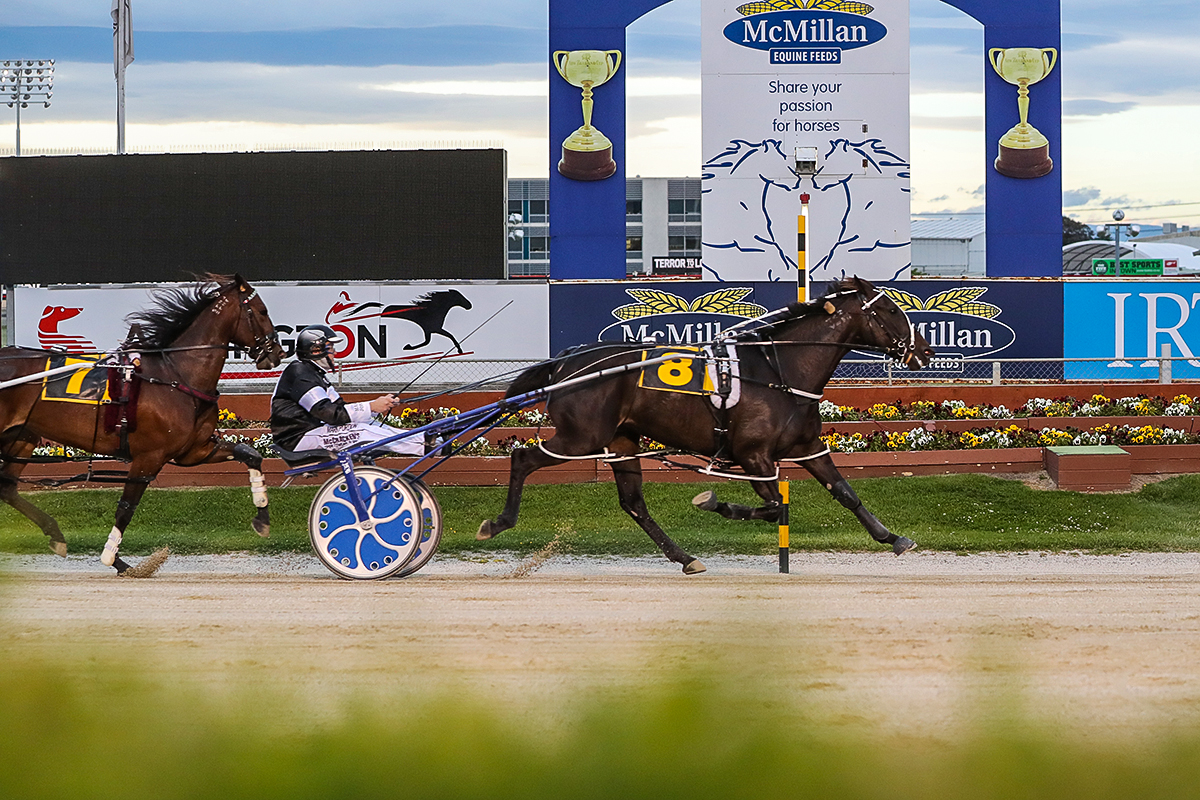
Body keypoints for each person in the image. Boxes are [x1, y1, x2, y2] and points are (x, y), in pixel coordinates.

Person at [270, 325, 426, 456]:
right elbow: (329, 414)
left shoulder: (315, 374)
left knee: (371, 424)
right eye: (331, 348)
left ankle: (428, 440)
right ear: (316, 350)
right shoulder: (300, 374)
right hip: (296, 439)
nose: (335, 353)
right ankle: (425, 447)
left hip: (311, 433)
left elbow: (340, 408)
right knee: (362, 431)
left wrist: (378, 406)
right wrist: (371, 406)